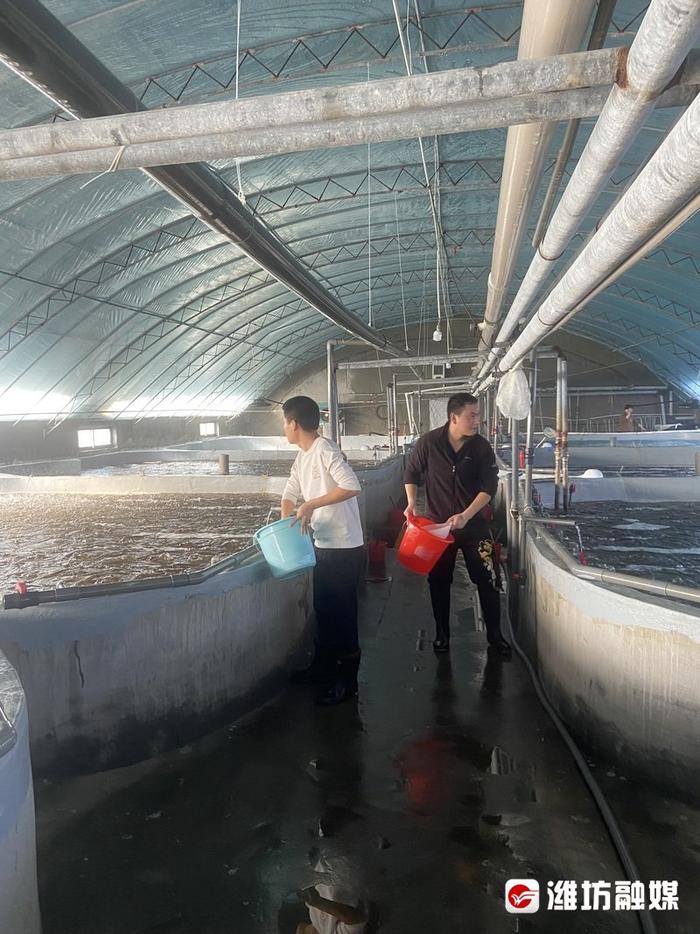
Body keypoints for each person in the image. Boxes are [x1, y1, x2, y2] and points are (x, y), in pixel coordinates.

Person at [403, 393, 510, 657]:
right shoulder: (428, 443)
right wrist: (411, 503)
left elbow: (489, 487)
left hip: (476, 528)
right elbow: (412, 473)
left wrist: (466, 514)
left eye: (478, 415)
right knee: (438, 580)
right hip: (438, 531)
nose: (478, 421)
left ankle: (495, 635)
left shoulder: (481, 447)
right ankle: (442, 633)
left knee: (488, 577)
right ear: (454, 417)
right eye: (471, 415)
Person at [281, 396, 365, 705]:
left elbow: (352, 485)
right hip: (323, 543)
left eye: (284, 423)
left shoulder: (324, 450)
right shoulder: (303, 456)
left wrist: (311, 504)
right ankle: (322, 667)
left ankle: (348, 681)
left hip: (344, 546)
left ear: (295, 424)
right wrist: (286, 518)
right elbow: (289, 492)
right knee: (324, 609)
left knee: (343, 614)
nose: (284, 429)